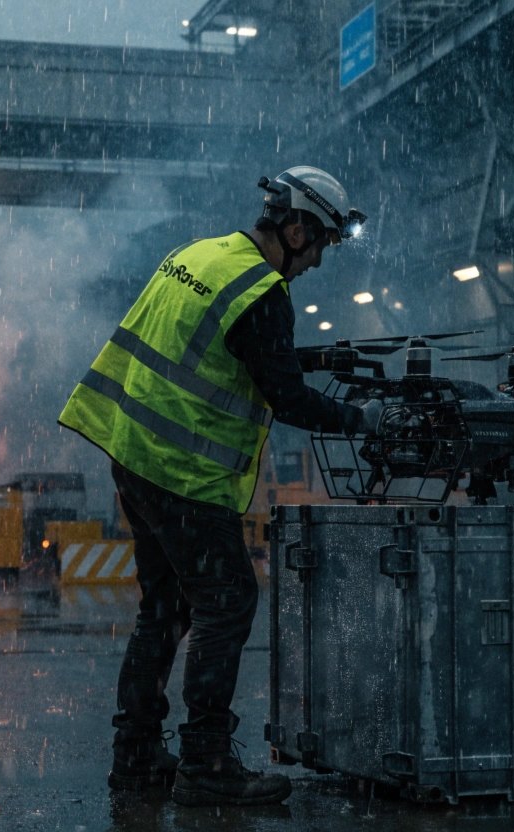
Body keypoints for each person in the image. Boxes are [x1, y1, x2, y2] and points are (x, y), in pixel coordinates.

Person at [58, 167, 380, 807]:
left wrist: (310, 358)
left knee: (164, 609)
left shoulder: (199, 255)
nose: (317, 262)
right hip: (185, 472)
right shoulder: (263, 294)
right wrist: (360, 419)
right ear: (296, 231)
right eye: (318, 245)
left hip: (135, 454)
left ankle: (136, 757)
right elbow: (286, 399)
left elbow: (226, 350)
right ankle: (206, 763)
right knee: (228, 602)